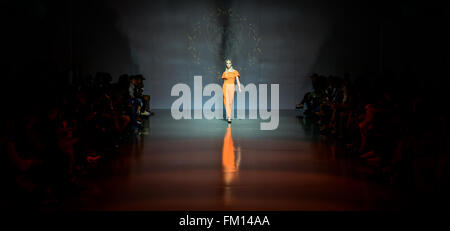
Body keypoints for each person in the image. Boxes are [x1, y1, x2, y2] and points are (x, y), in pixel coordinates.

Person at [221, 59, 242, 123]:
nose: (228, 64)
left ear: (231, 64)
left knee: (230, 101)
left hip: (231, 86)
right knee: (226, 101)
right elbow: (224, 81)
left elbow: (237, 80)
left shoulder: (235, 71)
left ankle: (229, 115)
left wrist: (239, 87)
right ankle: (229, 117)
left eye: (229, 63)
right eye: (227, 63)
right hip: (225, 86)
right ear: (226, 64)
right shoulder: (225, 73)